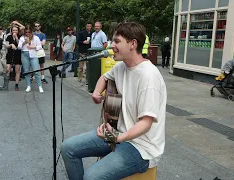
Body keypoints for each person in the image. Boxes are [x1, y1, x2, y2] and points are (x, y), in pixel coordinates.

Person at [61, 22, 167, 180]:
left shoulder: (148, 77)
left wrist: (119, 138)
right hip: (117, 134)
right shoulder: (121, 66)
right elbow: (105, 77)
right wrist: (97, 92)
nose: (111, 45)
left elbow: (146, 123)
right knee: (67, 148)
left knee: (91, 177)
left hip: (141, 147)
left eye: (117, 41)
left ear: (133, 44)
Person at [18, 25, 44, 93]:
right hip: (25, 54)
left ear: (31, 32)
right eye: (26, 32)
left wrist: (34, 47)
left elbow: (40, 46)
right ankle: (28, 85)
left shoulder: (36, 38)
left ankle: (40, 86)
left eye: (29, 32)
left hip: (33, 54)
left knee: (36, 70)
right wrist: (24, 43)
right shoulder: (22, 38)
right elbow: (19, 47)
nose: (27, 33)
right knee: (26, 71)